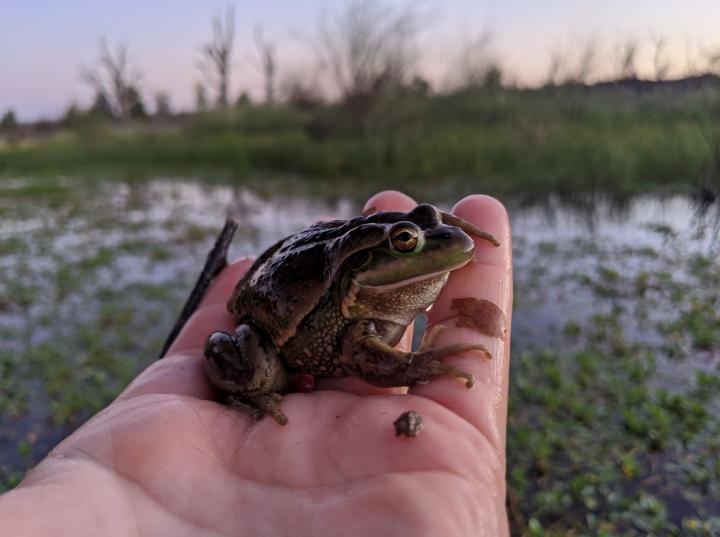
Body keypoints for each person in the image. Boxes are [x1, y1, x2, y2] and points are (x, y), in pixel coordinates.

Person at [0, 191, 513, 536]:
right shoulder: (358, 314)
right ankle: (253, 388)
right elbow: (365, 358)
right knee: (260, 372)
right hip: (268, 334)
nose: (442, 241)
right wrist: (424, 365)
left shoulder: (377, 287)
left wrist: (431, 224)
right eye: (406, 243)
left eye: (425, 228)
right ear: (368, 265)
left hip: (299, 270)